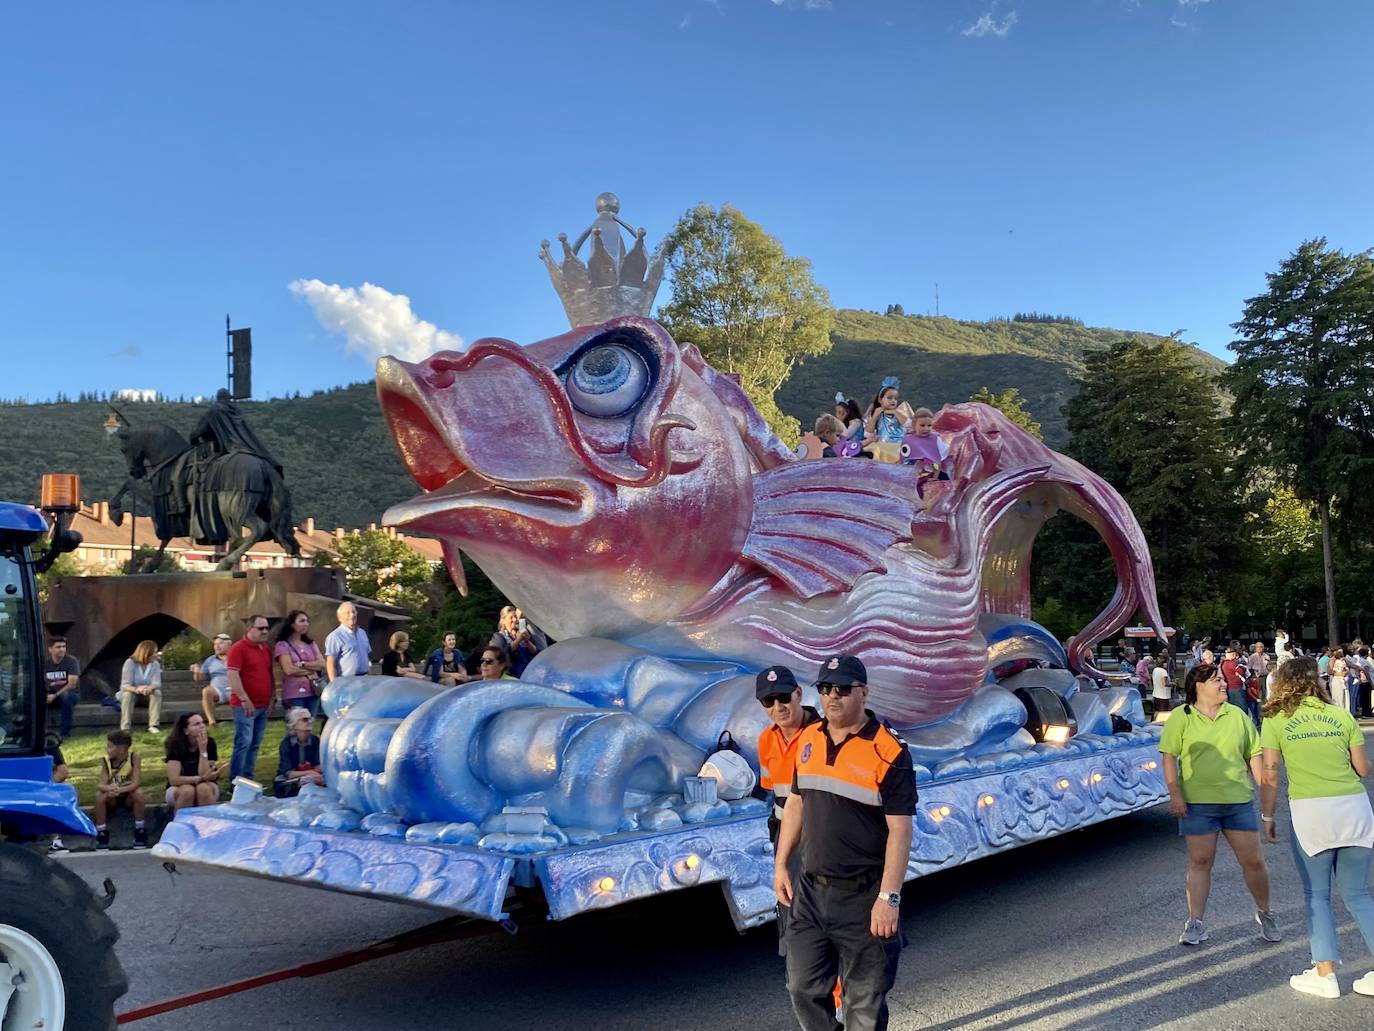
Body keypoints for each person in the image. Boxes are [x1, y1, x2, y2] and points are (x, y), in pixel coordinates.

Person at [774, 654, 916, 1031]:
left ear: (864, 693)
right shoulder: (808, 739)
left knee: (863, 1004)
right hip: (810, 892)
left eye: (842, 689)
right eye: (824, 689)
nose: (831, 697)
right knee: (802, 986)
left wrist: (890, 898)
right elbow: (796, 803)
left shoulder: (889, 751)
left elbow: (901, 831)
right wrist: (780, 865)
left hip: (864, 897)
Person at [1259, 657, 1374, 998]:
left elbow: (1270, 773)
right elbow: (1363, 769)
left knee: (1317, 895)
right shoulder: (1341, 715)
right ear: (1316, 681)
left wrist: (1268, 816)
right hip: (1353, 808)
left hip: (1312, 812)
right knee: (1358, 894)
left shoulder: (1276, 720)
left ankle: (1325, 974)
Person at [1159, 662, 1279, 947]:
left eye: (1222, 680)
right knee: (1200, 862)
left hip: (1236, 801)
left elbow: (1254, 753)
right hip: (1198, 804)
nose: (1223, 684)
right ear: (1198, 686)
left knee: (1253, 861)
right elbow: (1168, 757)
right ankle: (1195, 922)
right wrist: (1175, 794)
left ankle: (1265, 912)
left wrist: (1265, 790)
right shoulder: (1181, 717)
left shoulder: (1236, 715)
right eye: (1216, 681)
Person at [756, 666, 822, 954]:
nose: (778, 707)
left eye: (783, 697)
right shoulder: (765, 740)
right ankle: (802, 975)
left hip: (824, 836)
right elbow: (776, 793)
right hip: (786, 837)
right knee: (791, 908)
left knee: (828, 914)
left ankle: (839, 990)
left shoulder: (825, 735)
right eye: (769, 701)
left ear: (798, 693)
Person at [227, 614, 275, 782]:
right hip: (244, 706)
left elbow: (269, 674)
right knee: (244, 743)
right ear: (249, 629)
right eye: (261, 628)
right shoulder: (237, 649)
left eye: (267, 628)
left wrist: (272, 698)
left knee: (254, 744)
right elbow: (233, 675)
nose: (265, 631)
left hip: (263, 705)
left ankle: (247, 779)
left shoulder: (265, 649)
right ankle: (235, 780)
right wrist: (244, 699)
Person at [94, 729, 147, 850]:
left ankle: (140, 830)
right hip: (112, 797)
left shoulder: (134, 757)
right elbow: (101, 784)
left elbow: (136, 783)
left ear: (122, 749)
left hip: (128, 795)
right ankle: (101, 832)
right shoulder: (106, 761)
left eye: (110, 746)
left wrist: (120, 790)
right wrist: (109, 788)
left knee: (139, 793)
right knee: (99, 796)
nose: (107, 749)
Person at [165, 712, 223, 812]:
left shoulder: (210, 743)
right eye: (197, 724)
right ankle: (181, 825)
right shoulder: (175, 745)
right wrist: (200, 779)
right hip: (177, 787)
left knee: (203, 789)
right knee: (188, 791)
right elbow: (174, 780)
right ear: (186, 730)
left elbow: (206, 774)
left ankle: (210, 825)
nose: (202, 726)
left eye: (202, 723)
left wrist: (203, 750)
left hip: (207, 785)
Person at [275, 610, 326, 717]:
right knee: (296, 724)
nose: (306, 624)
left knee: (310, 723)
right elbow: (289, 669)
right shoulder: (283, 645)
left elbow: (322, 664)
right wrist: (312, 669)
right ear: (292, 625)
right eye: (302, 621)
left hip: (313, 691)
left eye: (307, 621)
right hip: (294, 694)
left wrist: (303, 664)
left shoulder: (310, 643)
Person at [274, 706, 325, 798]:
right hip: (289, 782)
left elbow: (318, 765)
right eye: (305, 719)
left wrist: (314, 772)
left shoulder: (315, 741)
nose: (310, 722)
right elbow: (289, 774)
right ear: (294, 725)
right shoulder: (286, 744)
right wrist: (310, 773)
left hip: (311, 778)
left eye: (310, 719)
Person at [118, 639, 163, 734]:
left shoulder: (155, 664)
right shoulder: (130, 663)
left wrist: (150, 688)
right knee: (127, 695)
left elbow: (157, 683)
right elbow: (125, 685)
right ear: (146, 652)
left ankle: (153, 725)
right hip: (132, 693)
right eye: (154, 652)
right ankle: (125, 728)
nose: (156, 654)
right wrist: (137, 689)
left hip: (146, 694)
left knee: (157, 693)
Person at [43, 636, 80, 740]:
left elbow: (72, 684)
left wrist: (55, 695)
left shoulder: (72, 661)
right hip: (50, 694)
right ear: (50, 649)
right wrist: (46, 695)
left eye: (64, 646)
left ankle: (64, 733)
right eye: (58, 647)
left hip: (69, 694)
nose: (62, 649)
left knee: (66, 698)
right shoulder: (46, 664)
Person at [192, 632, 233, 726]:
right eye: (215, 644)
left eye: (220, 644)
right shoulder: (210, 660)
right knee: (206, 691)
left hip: (236, 689)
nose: (217, 646)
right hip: (218, 691)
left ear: (229, 645)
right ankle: (212, 722)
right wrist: (196, 671)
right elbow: (199, 678)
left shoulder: (237, 656)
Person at [863, 377, 914, 450]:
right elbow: (868, 434)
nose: (893, 401)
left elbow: (909, 425)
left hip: (899, 446)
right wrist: (875, 416)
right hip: (883, 447)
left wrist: (895, 412)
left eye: (895, 398)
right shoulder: (877, 414)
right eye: (889, 398)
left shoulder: (900, 412)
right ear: (880, 399)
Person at [324, 601, 371, 680]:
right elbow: (330, 663)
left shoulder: (362, 633)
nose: (352, 615)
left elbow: (367, 656)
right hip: (346, 681)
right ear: (340, 617)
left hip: (365, 679)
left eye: (353, 612)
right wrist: (334, 684)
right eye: (347, 613)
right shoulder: (335, 636)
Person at [492, 606, 539, 677]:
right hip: (512, 677)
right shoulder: (498, 637)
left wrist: (527, 641)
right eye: (511, 617)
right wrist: (518, 640)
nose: (514, 620)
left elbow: (536, 653)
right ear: (503, 621)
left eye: (515, 617)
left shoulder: (523, 632)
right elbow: (501, 654)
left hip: (530, 673)